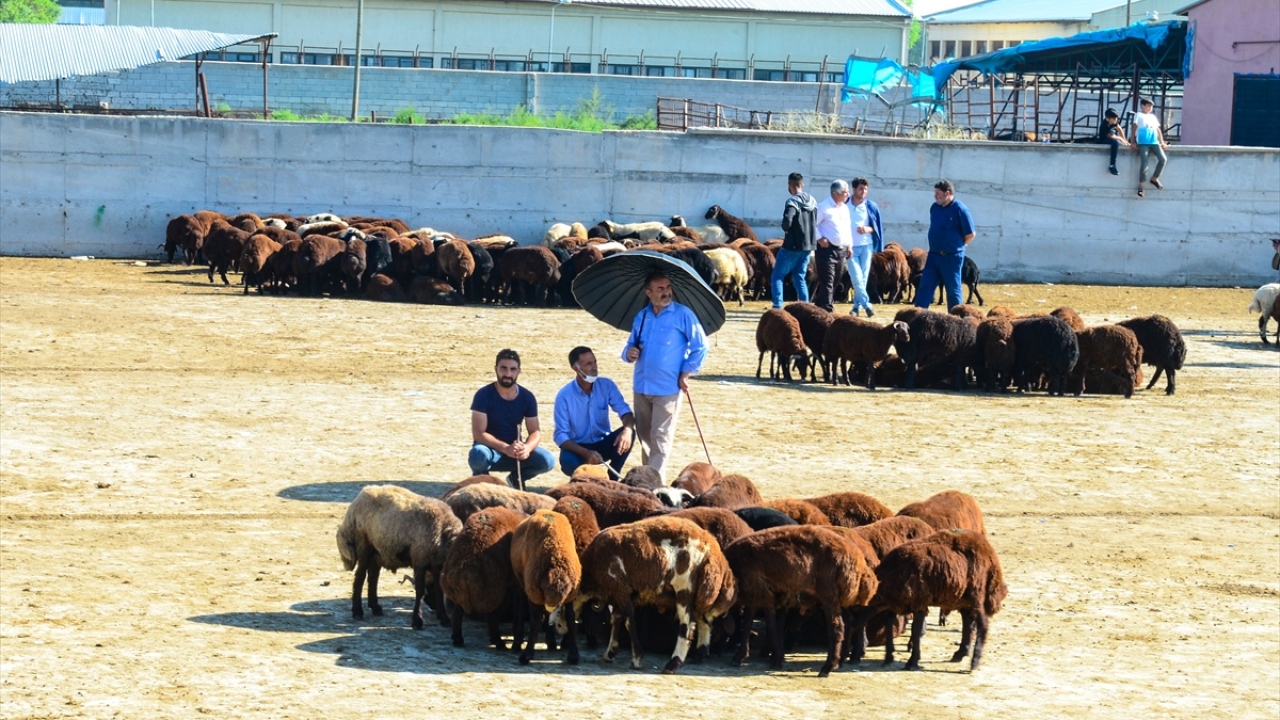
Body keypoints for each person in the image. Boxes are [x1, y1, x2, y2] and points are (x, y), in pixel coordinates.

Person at [621, 273, 708, 480]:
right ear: (648, 293)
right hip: (641, 386)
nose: (666, 292)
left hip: (667, 388)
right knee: (645, 440)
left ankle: (655, 486)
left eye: (668, 287)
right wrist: (629, 353)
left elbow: (701, 347)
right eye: (660, 289)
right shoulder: (641, 316)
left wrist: (686, 372)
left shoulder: (683, 314)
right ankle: (647, 479)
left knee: (660, 439)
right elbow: (629, 346)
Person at [469, 348, 555, 488]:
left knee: (547, 460)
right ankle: (483, 484)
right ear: (496, 369)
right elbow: (479, 434)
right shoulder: (483, 395)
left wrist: (526, 448)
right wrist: (505, 448)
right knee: (478, 454)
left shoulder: (527, 397)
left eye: (513, 369)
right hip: (491, 451)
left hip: (515, 452)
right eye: (503, 369)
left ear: (519, 371)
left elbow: (535, 432)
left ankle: (515, 479)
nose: (508, 374)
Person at [553, 346, 635, 477]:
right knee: (568, 461)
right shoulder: (564, 396)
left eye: (595, 362)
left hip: (603, 444)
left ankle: (613, 478)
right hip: (578, 446)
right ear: (576, 368)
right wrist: (585, 452)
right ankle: (581, 480)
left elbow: (625, 412)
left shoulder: (607, 385)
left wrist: (627, 431)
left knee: (629, 432)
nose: (594, 367)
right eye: (588, 364)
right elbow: (560, 435)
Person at [915, 179, 975, 310]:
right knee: (925, 287)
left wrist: (957, 244)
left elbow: (971, 234)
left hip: (952, 257)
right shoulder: (934, 208)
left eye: (938, 193)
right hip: (933, 255)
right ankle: (916, 317)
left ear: (947, 193)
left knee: (953, 290)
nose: (935, 196)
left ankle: (955, 320)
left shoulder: (961, 210)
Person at [773, 172, 817, 308]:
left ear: (789, 185)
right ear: (802, 185)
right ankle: (805, 306)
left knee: (777, 276)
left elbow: (787, 221)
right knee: (799, 277)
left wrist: (786, 228)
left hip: (792, 247)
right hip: (808, 247)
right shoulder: (813, 201)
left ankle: (777, 307)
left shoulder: (792, 202)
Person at [846, 177, 885, 316]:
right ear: (854, 189)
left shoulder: (871, 206)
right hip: (850, 247)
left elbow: (877, 228)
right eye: (861, 188)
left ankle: (856, 308)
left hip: (866, 246)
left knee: (862, 279)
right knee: (856, 277)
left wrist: (867, 229)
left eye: (866, 189)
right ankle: (867, 305)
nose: (864, 191)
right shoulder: (845, 205)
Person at [813, 179, 853, 313]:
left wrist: (849, 245)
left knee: (836, 279)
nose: (847, 195)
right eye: (845, 192)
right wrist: (819, 238)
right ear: (836, 193)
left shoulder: (845, 208)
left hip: (841, 249)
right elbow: (811, 225)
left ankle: (820, 305)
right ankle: (827, 309)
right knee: (827, 280)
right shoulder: (823, 207)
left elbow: (847, 228)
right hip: (826, 250)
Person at [1131, 98, 1168, 197]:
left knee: (1163, 159)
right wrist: (1132, 142)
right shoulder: (1138, 115)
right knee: (1144, 163)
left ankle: (1155, 178)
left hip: (1154, 142)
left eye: (1151, 106)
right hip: (1143, 142)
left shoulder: (1152, 117)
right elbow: (1134, 128)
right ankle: (1141, 186)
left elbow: (1158, 130)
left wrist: (1162, 142)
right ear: (1142, 106)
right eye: (1148, 106)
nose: (1150, 108)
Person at [1098, 108, 1130, 176]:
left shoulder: (1114, 122)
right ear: (1108, 118)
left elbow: (1119, 129)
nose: (1116, 120)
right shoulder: (1104, 124)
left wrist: (1124, 140)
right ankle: (1112, 165)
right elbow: (1109, 136)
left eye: (1116, 119)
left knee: (1117, 142)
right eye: (1114, 119)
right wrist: (1120, 138)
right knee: (1115, 143)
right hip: (1104, 140)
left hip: (1113, 138)